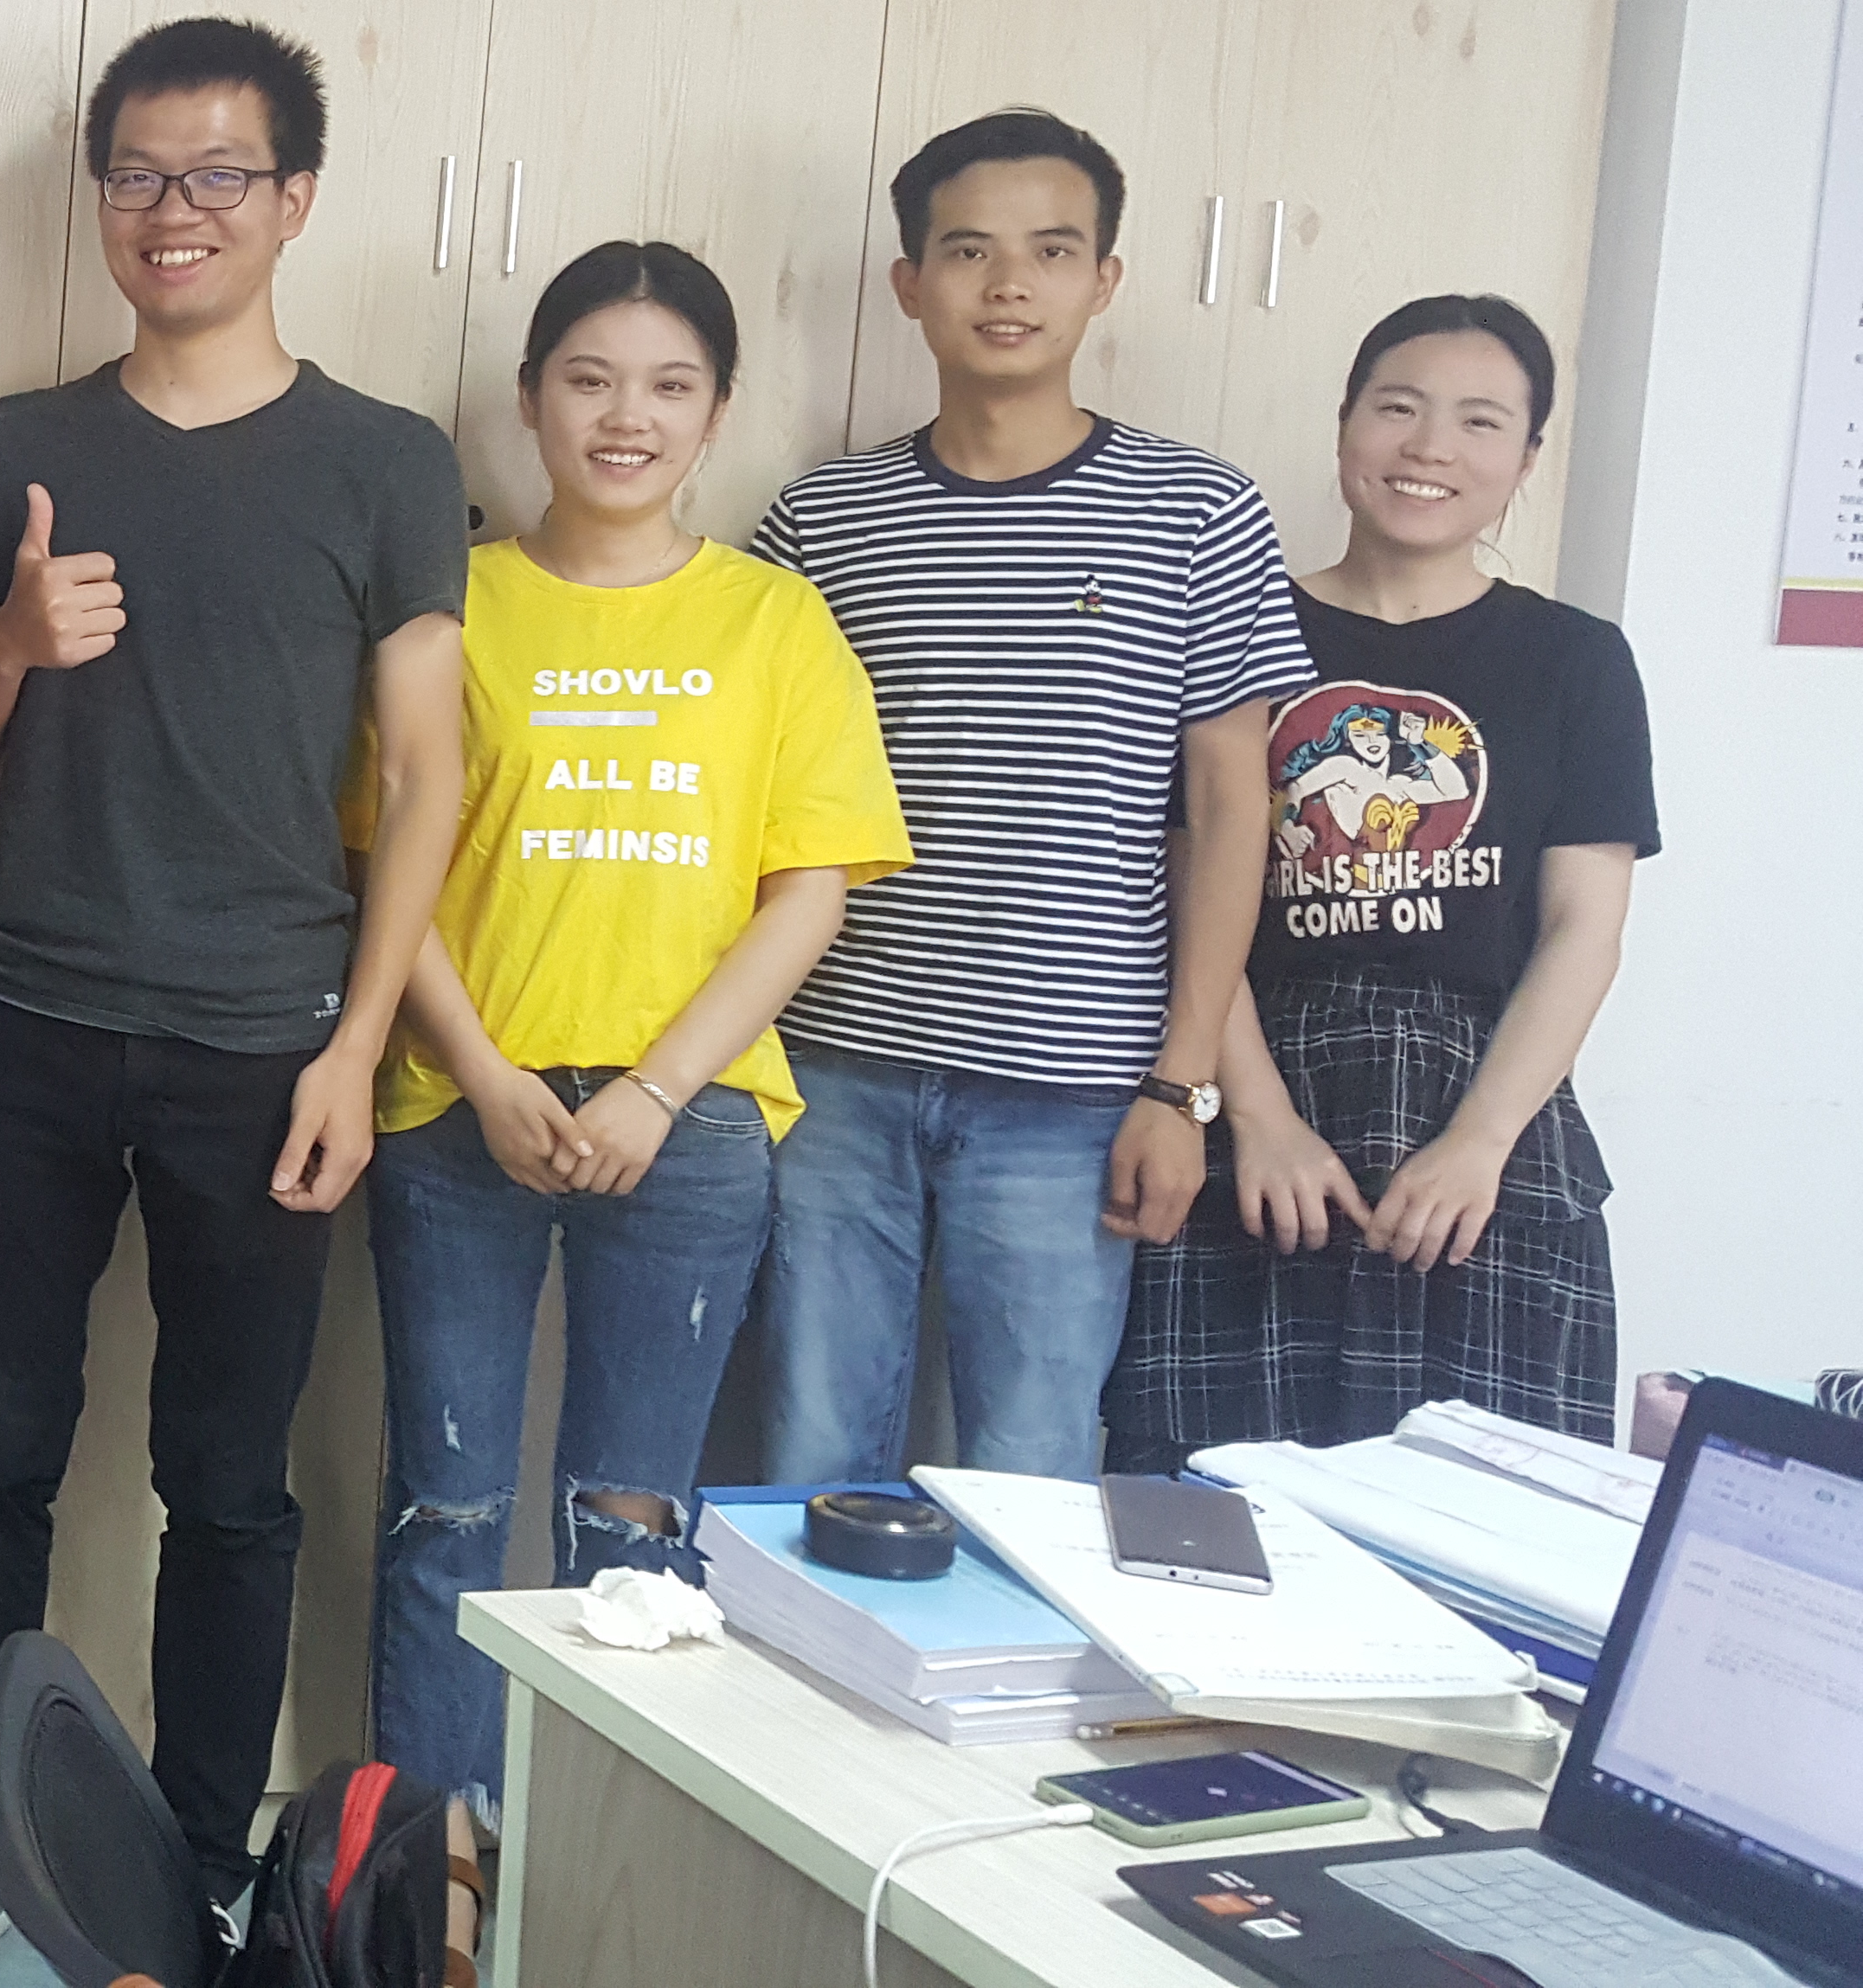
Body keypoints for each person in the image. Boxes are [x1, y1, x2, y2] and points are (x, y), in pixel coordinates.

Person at [0, 16, 466, 1985]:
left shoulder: (386, 461)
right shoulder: (16, 446)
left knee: (227, 1484)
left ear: (294, 199)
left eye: (217, 175)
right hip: (21, 1021)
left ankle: (202, 1869)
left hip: (265, 1045)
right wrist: (13, 645)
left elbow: (429, 779)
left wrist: (356, 1051)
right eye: (137, 174)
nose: (172, 210)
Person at [354, 244, 909, 1812]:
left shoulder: (775, 620)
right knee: (447, 1511)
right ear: (530, 397)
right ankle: (429, 1875)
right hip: (457, 1110)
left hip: (693, 1125)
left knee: (634, 1523)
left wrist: (658, 1091)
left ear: (717, 413)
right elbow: (385, 864)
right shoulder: (450, 607)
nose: (626, 417)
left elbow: (808, 892)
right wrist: (482, 1072)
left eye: (670, 386)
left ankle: (592, 1866)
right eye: (589, 380)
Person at [750, 109, 1314, 1485]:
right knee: (811, 1458)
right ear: (909, 284)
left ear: (1104, 280)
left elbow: (1229, 817)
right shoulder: (821, 519)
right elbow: (759, 803)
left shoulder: (1199, 509)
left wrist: (1182, 1088)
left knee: (1031, 1478)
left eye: (1052, 251)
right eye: (968, 251)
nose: (1009, 284)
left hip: (1076, 1095)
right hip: (837, 1072)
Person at [1109, 297, 1656, 1459]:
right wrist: (1254, 1117)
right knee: (1212, 1510)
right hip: (1256, 1091)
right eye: (1398, 408)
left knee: (1487, 1514)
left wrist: (1480, 1142)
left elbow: (1584, 929)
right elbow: (1184, 888)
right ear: (1345, 423)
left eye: (1480, 421)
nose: (1430, 447)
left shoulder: (1578, 659)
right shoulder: (1235, 629)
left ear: (1527, 458)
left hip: (1487, 1111)